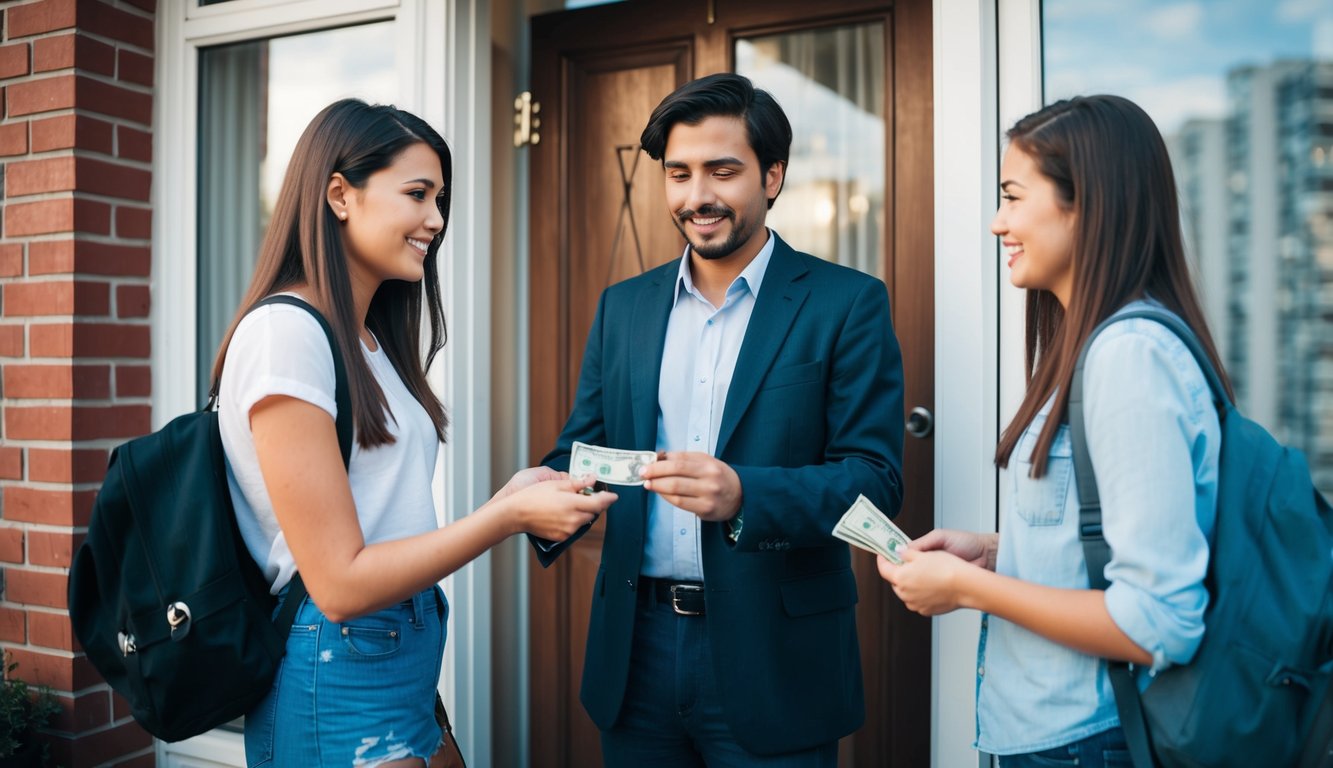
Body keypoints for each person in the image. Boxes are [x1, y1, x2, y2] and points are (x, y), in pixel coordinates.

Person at [211, 99, 617, 768]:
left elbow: (383, 518)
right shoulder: (286, 334)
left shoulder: (367, 340)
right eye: (418, 194)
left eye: (441, 198)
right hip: (337, 659)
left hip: (398, 647)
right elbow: (339, 583)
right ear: (339, 194)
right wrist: (506, 516)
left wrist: (509, 495)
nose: (436, 219)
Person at [531, 73, 906, 766]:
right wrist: (542, 493)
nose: (696, 196)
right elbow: (578, 454)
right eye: (678, 173)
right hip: (633, 654)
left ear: (772, 176)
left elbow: (874, 483)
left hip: (776, 658)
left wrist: (744, 495)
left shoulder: (846, 303)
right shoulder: (623, 307)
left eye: (721, 171)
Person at [879, 94, 1227, 767]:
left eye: (1013, 196)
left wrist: (967, 589)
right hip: (1062, 738)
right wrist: (992, 552)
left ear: (1087, 204)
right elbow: (1112, 542)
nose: (995, 223)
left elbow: (1157, 621)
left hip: (1085, 743)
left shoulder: (1128, 357)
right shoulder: (1101, 345)